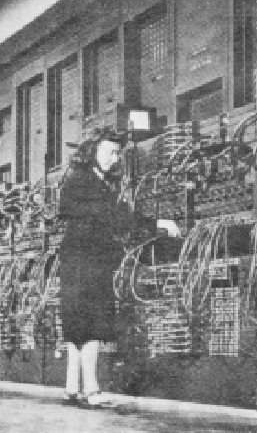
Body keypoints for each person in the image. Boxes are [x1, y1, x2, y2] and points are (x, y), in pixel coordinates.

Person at [57, 127, 178, 408]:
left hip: (83, 258)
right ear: (92, 152)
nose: (115, 158)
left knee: (78, 324)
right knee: (89, 323)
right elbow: (114, 215)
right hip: (84, 259)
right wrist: (157, 224)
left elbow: (114, 215)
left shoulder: (94, 182)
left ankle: (72, 388)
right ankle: (91, 390)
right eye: (110, 152)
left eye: (117, 153)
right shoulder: (83, 180)